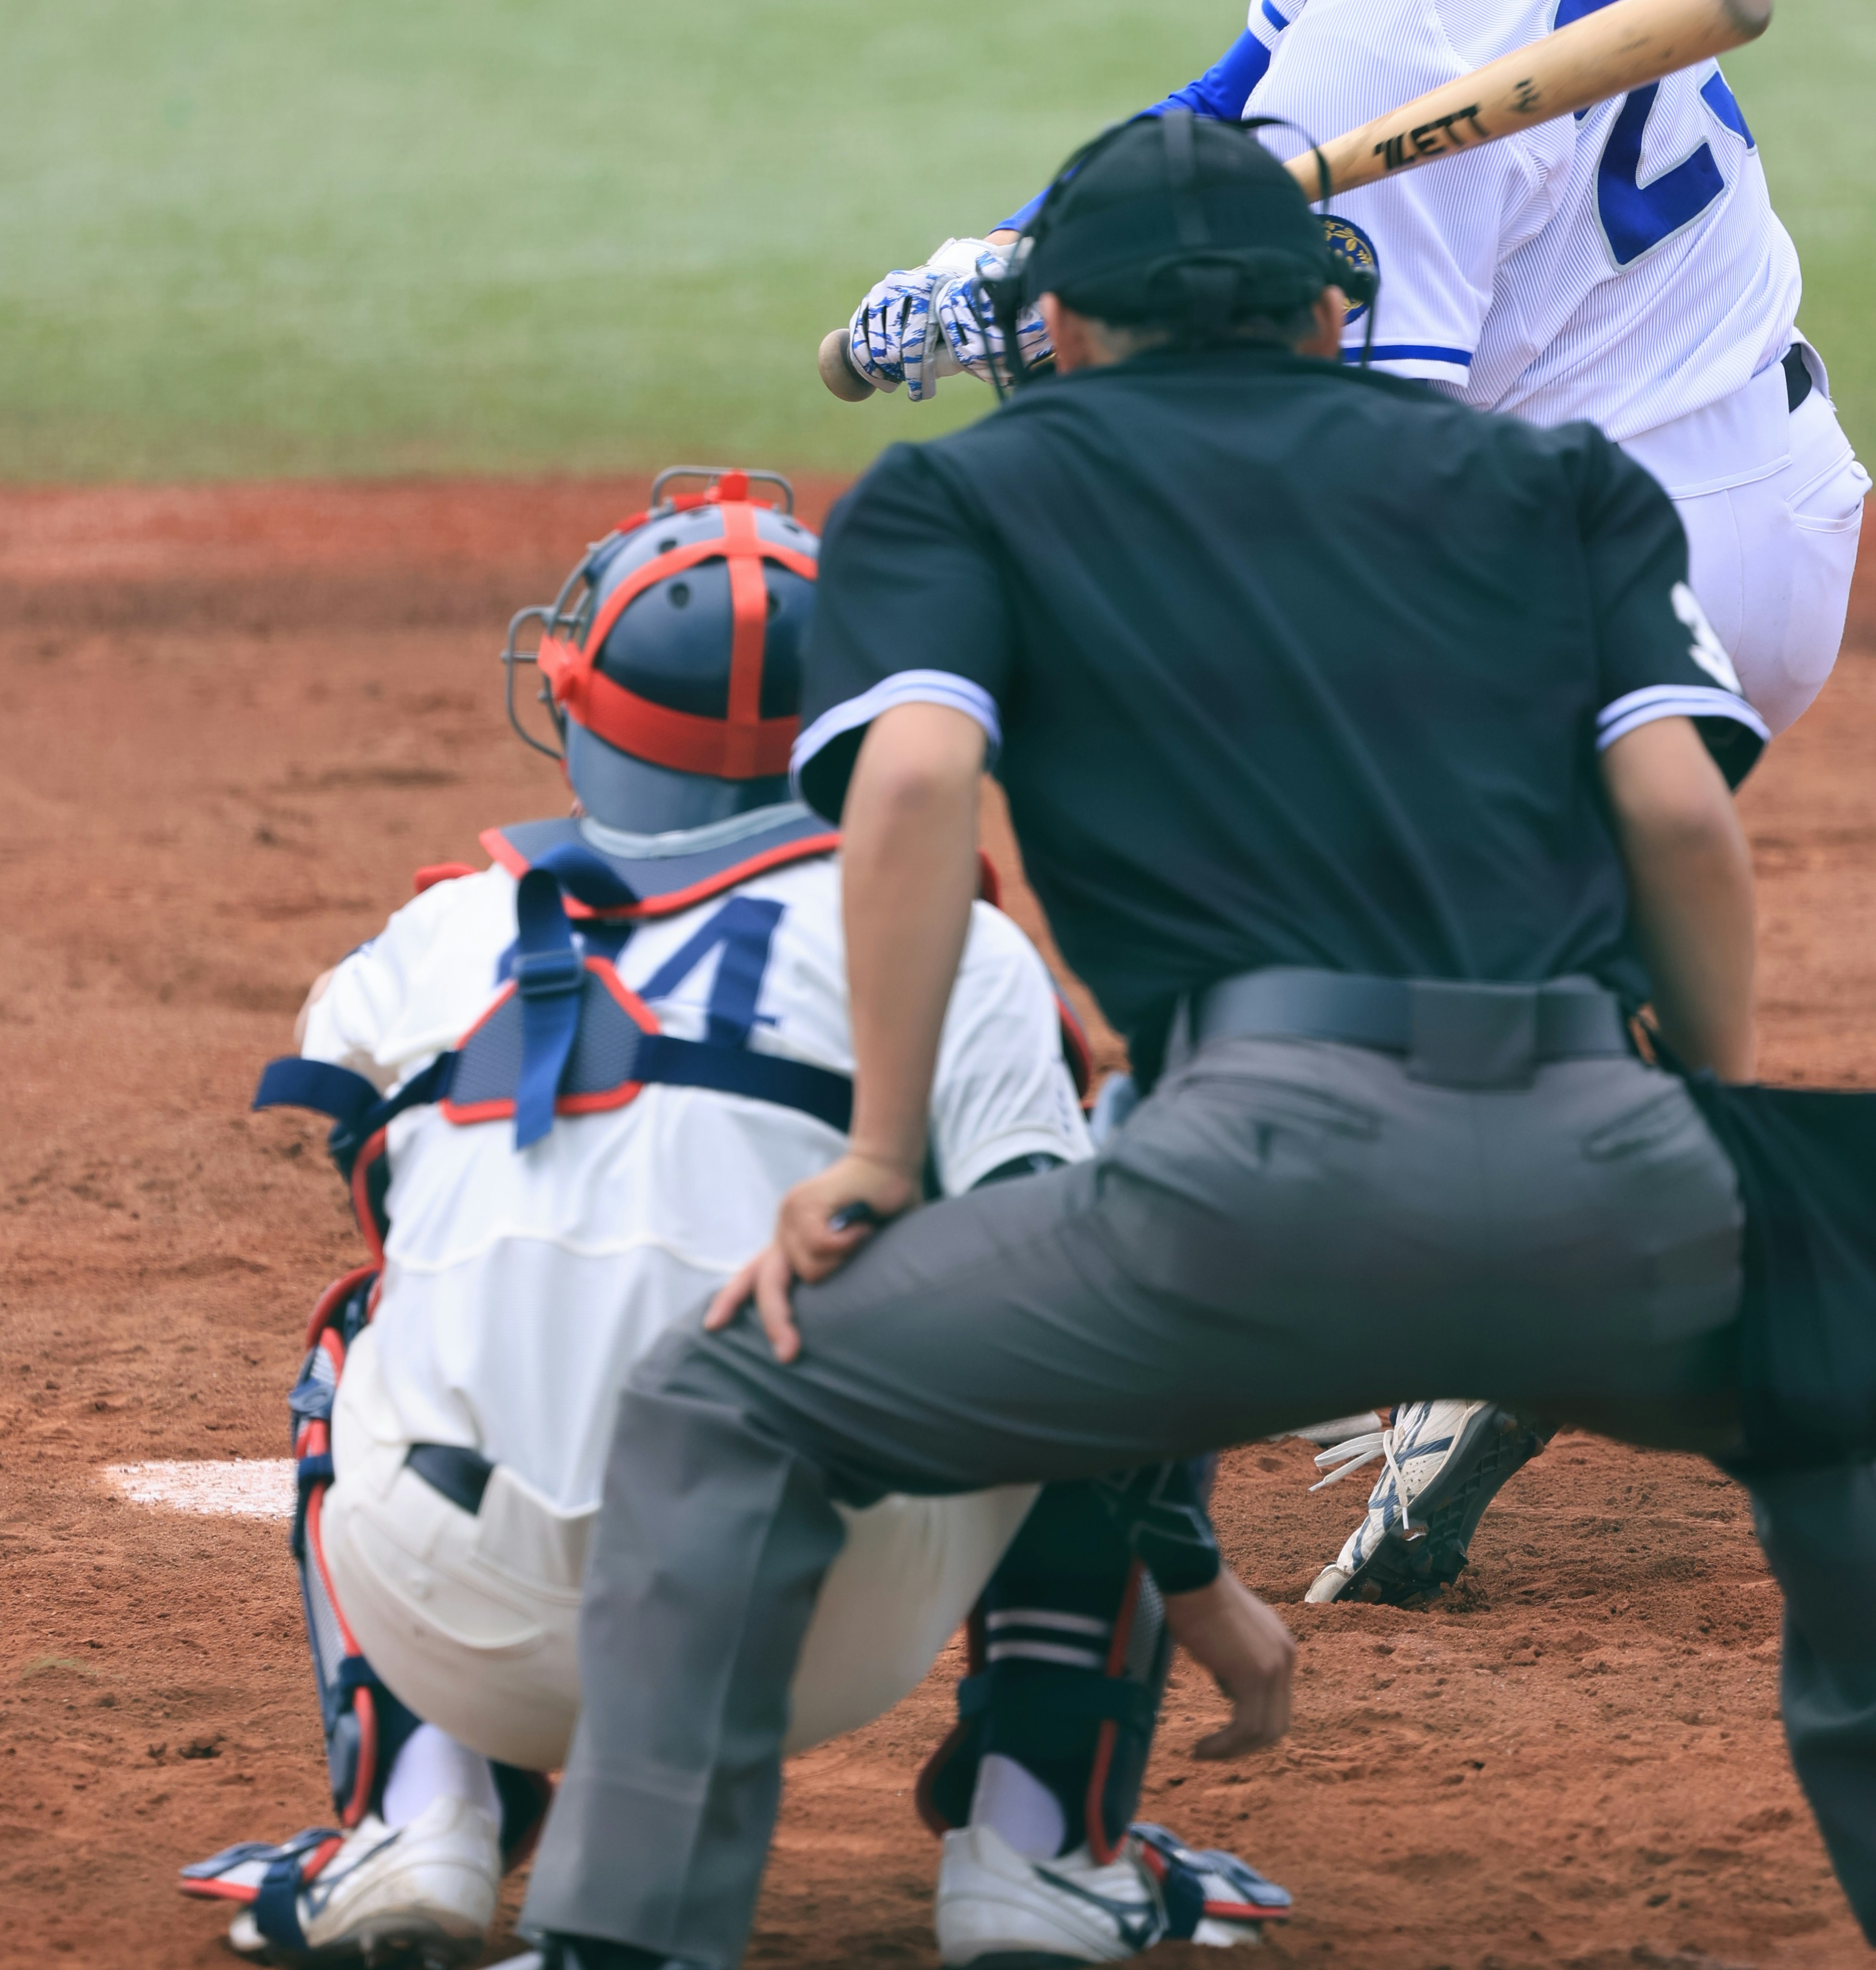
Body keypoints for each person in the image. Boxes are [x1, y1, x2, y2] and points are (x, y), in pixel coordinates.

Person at [514, 121, 1876, 1970]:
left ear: (1057, 327)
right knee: (1847, 1389)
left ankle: (625, 1944)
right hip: (1613, 1178)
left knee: (729, 1401)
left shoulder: (964, 493)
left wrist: (883, 1159)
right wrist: (1711, 1148)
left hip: (1234, 1207)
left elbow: (913, 787)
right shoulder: (1558, 479)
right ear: (1334, 315)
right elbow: (1685, 824)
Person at [836, 0, 1870, 1601]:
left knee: (1257, 799)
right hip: (1768, 495)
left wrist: (1039, 337)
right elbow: (1244, 108)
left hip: (1627, 576)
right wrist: (1027, 247)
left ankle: (1501, 1286)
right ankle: (1579, 1148)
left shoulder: (1377, 73)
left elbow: (1328, 466)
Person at [180, 469, 1289, 1966]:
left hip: (467, 1618)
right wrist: (1202, 1586)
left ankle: (413, 1818)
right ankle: (1043, 1848)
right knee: (1075, 1280)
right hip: (816, 1630)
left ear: (577, 699)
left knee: (368, 1329)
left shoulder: (440, 934)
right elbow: (1090, 1302)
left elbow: (379, 1176)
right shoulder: (957, 951)